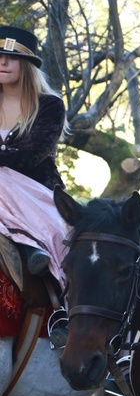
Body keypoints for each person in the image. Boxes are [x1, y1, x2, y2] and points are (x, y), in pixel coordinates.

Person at [0, 25, 67, 280]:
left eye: (13, 57)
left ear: (27, 64)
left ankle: (59, 306)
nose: (3, 62)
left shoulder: (49, 106)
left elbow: (32, 156)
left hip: (36, 190)